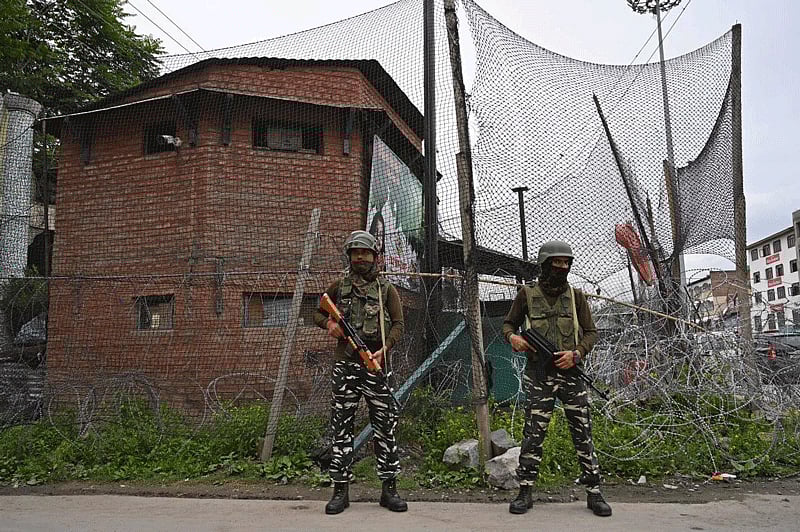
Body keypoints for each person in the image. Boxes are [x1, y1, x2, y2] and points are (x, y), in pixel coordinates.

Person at [502, 240, 612, 517]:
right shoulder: (527, 295)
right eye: (557, 262)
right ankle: (525, 490)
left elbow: (591, 332)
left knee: (582, 431)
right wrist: (513, 338)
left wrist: (576, 354)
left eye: (566, 263)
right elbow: (508, 324)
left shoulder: (576, 297)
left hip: (571, 375)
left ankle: (594, 492)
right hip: (540, 376)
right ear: (545, 264)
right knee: (533, 434)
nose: (562, 267)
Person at [313, 230, 407, 515]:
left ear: (374, 257)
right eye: (356, 253)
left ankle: (389, 490)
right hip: (346, 366)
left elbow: (399, 324)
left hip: (376, 365)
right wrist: (328, 325)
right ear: (349, 256)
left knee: (385, 428)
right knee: (341, 427)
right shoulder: (338, 287)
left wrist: (386, 348)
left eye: (366, 253)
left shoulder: (386, 289)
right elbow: (317, 311)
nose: (361, 258)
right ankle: (340, 491)